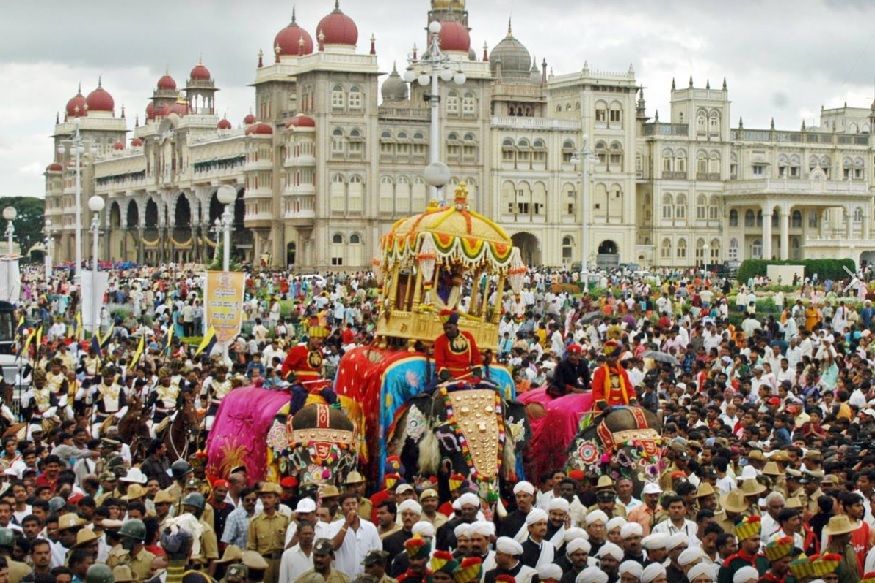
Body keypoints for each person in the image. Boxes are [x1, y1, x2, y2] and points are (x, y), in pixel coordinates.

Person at [433, 312, 482, 381]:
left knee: (491, 385)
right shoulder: (439, 341)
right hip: (450, 376)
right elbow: (439, 363)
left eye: (449, 328)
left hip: (468, 375)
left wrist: (477, 375)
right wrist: (448, 377)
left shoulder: (468, 336)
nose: (447, 330)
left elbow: (476, 357)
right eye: (445, 328)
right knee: (431, 387)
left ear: (456, 326)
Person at [591, 340, 636, 411]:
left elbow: (629, 388)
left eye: (613, 357)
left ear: (617, 358)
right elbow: (596, 392)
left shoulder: (622, 372)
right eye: (608, 357)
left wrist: (632, 400)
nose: (610, 359)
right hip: (606, 406)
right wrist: (603, 405)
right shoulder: (599, 372)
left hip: (623, 405)